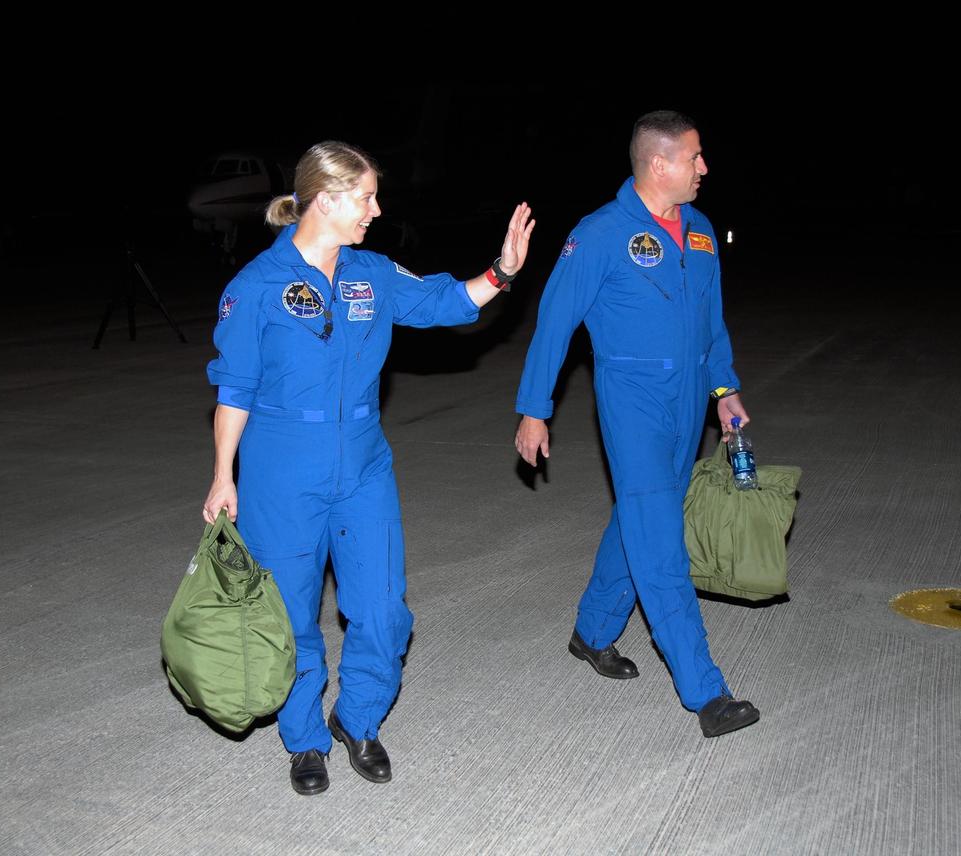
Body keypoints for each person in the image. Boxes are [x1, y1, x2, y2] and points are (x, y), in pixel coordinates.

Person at [203, 141, 534, 795]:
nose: (377, 211)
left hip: (362, 466)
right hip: (280, 473)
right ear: (326, 201)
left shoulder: (371, 274)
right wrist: (222, 474)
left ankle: (357, 719)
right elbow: (233, 390)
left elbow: (446, 303)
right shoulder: (255, 290)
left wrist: (501, 270)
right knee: (292, 616)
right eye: (366, 197)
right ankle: (304, 741)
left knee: (382, 611)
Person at [513, 111, 758, 739]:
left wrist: (724, 390)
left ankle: (592, 633)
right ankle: (706, 692)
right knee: (660, 540)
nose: (704, 168)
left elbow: (712, 326)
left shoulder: (701, 232)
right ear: (660, 164)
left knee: (642, 517)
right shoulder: (599, 234)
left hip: (688, 404)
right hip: (634, 403)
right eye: (695, 157)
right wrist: (535, 408)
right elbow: (554, 323)